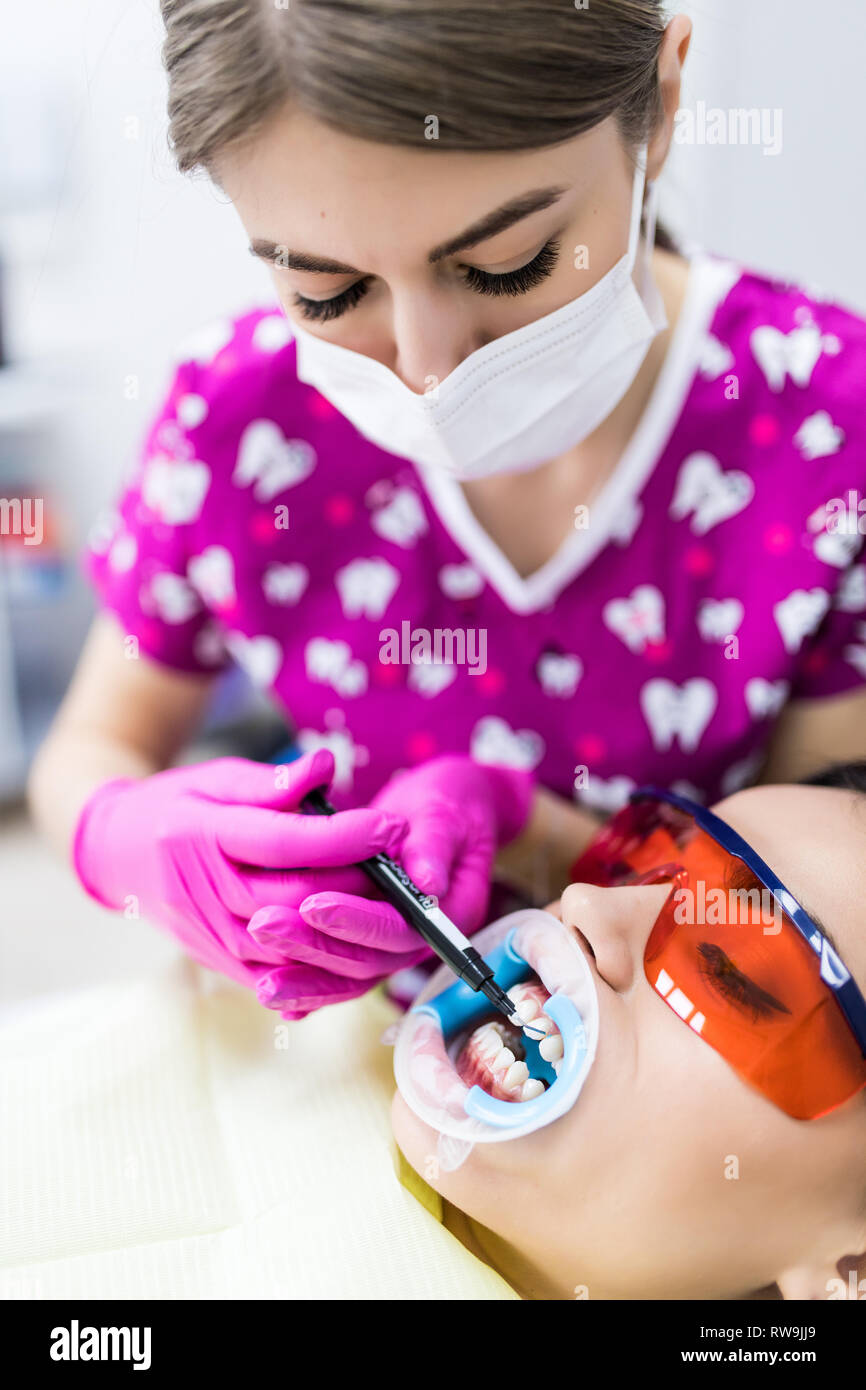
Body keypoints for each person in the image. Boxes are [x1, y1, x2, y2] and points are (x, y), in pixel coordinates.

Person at [29, 2, 866, 1020]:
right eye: (328, 292)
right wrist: (121, 836)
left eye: (509, 263)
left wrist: (528, 830)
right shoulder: (238, 423)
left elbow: (808, 957)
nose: (430, 373)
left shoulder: (828, 429)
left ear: (660, 95)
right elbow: (92, 747)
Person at [392, 763, 866, 1300]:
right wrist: (519, 825)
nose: (586, 901)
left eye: (733, 972)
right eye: (646, 864)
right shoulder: (324, 1048)